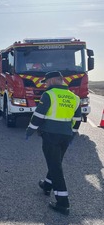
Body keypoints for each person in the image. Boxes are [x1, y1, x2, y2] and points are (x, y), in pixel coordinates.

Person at [25, 71, 82, 215]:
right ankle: (47, 185)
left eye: (46, 82)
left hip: (50, 136)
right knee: (55, 162)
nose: (46, 84)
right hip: (65, 136)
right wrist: (72, 135)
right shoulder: (74, 97)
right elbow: (77, 120)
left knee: (55, 167)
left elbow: (38, 115)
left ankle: (63, 203)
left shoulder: (48, 95)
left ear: (51, 81)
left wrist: (30, 131)